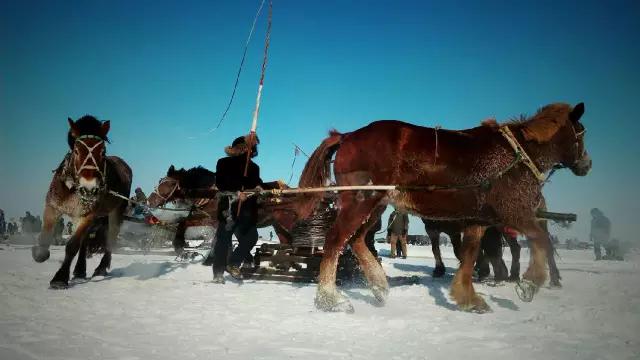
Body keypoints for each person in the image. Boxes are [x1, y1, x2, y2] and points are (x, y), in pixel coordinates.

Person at [211, 134, 281, 283]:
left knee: (251, 237)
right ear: (239, 149)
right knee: (224, 240)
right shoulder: (223, 163)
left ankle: (233, 264)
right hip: (228, 208)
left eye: (252, 149)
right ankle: (218, 272)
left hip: (247, 212)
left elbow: (258, 183)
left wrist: (269, 186)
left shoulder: (254, 168)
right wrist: (237, 191)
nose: (250, 151)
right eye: (248, 148)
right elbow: (221, 183)